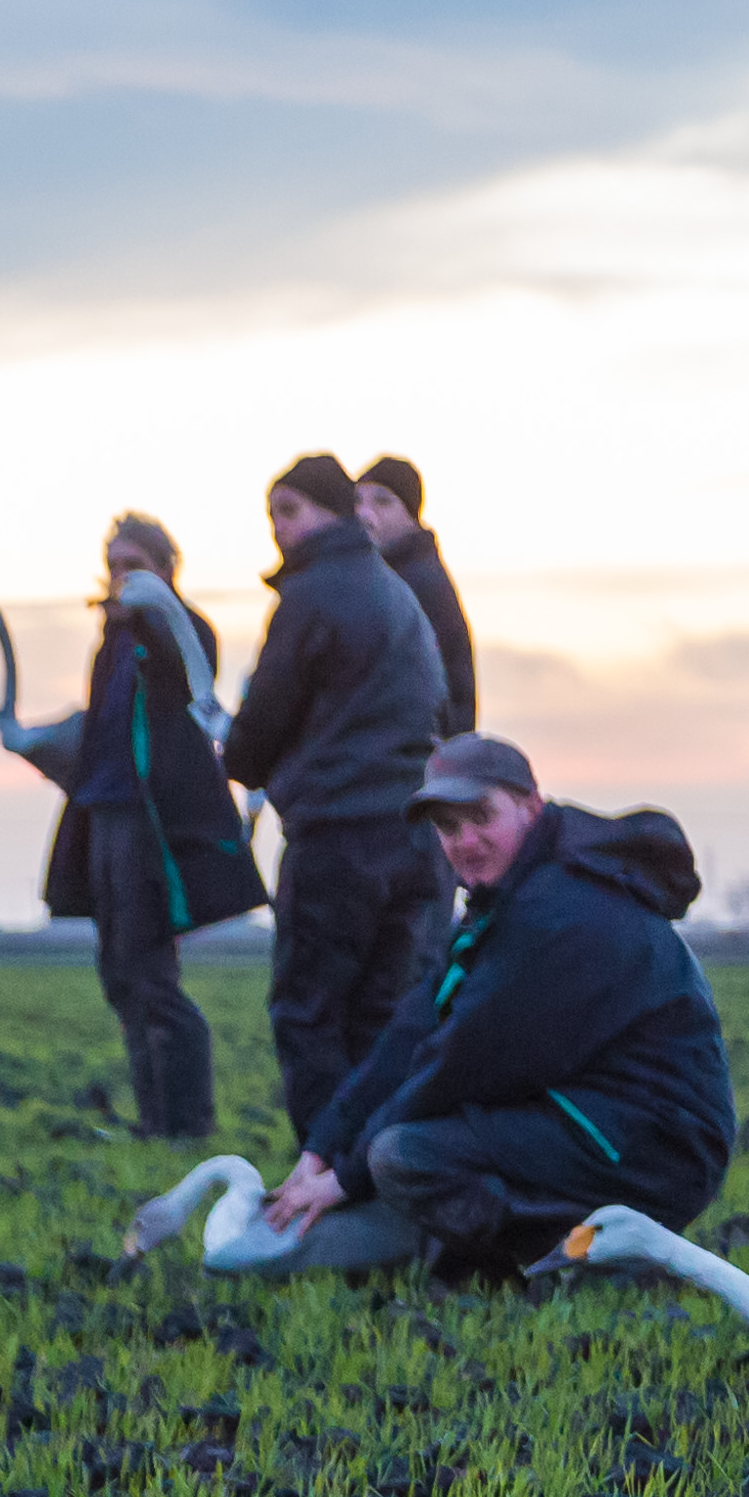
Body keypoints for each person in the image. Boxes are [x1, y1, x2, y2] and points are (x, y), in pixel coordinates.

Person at [245, 735, 738, 1278]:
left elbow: (458, 1063)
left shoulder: (563, 910)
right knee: (407, 1146)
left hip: (659, 1148)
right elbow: (415, 1028)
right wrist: (321, 1149)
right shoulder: (506, 900)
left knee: (407, 1156)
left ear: (531, 806)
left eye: (481, 817)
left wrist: (346, 1176)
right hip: (597, 1119)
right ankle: (480, 1255)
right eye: (448, 827)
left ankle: (595, 1262)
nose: (465, 841)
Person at [218, 452, 455, 1136]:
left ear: (331, 510)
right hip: (414, 834)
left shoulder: (312, 595)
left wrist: (239, 757)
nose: (278, 531)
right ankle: (372, 1179)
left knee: (310, 1012)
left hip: (337, 836)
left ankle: (319, 1179)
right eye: (272, 517)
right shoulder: (397, 593)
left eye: (289, 512)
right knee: (382, 1015)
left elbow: (265, 716)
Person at [9, 513, 261, 1139]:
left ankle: (187, 1124)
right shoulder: (111, 641)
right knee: (120, 975)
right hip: (104, 815)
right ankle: (154, 1120)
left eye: (134, 565)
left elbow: (190, 686)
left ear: (164, 569)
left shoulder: (181, 625)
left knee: (152, 976)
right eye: (113, 565)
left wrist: (158, 610)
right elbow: (104, 729)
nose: (120, 577)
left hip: (152, 826)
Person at [358, 458, 478, 735]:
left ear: (411, 516)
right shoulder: (385, 575)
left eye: (382, 501)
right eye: (357, 500)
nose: (365, 513)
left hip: (420, 756)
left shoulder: (417, 582)